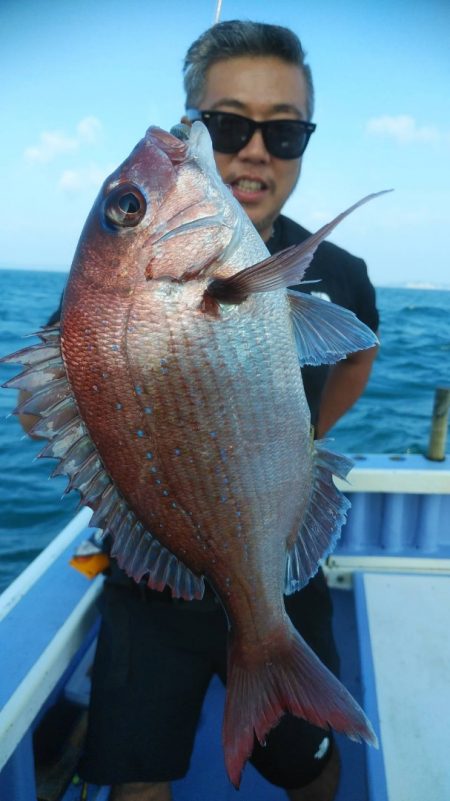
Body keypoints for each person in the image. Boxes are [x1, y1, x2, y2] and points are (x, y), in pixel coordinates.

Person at [22, 20, 379, 801]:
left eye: (284, 130)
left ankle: (274, 664)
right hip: (152, 573)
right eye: (225, 124)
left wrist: (301, 443)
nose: (255, 149)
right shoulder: (110, 294)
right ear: (195, 118)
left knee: (314, 769)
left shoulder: (341, 272)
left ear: (304, 142)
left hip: (277, 563)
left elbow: (359, 352)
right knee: (135, 774)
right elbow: (50, 404)